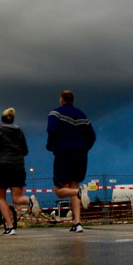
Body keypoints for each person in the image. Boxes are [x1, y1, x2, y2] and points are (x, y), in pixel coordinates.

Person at [0, 108, 41, 236]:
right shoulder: (19, 132)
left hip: (4, 167)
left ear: (2, 120)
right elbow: (25, 151)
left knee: (1, 198)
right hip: (18, 166)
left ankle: (10, 227)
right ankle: (30, 200)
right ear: (13, 120)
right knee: (17, 198)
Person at [46, 90, 96, 233]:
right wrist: (85, 148)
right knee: (75, 186)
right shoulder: (83, 116)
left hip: (64, 154)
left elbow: (52, 129)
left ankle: (79, 193)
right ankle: (77, 223)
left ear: (61, 100)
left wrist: (51, 144)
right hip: (81, 155)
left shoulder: (55, 113)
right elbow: (92, 136)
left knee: (59, 190)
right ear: (72, 101)